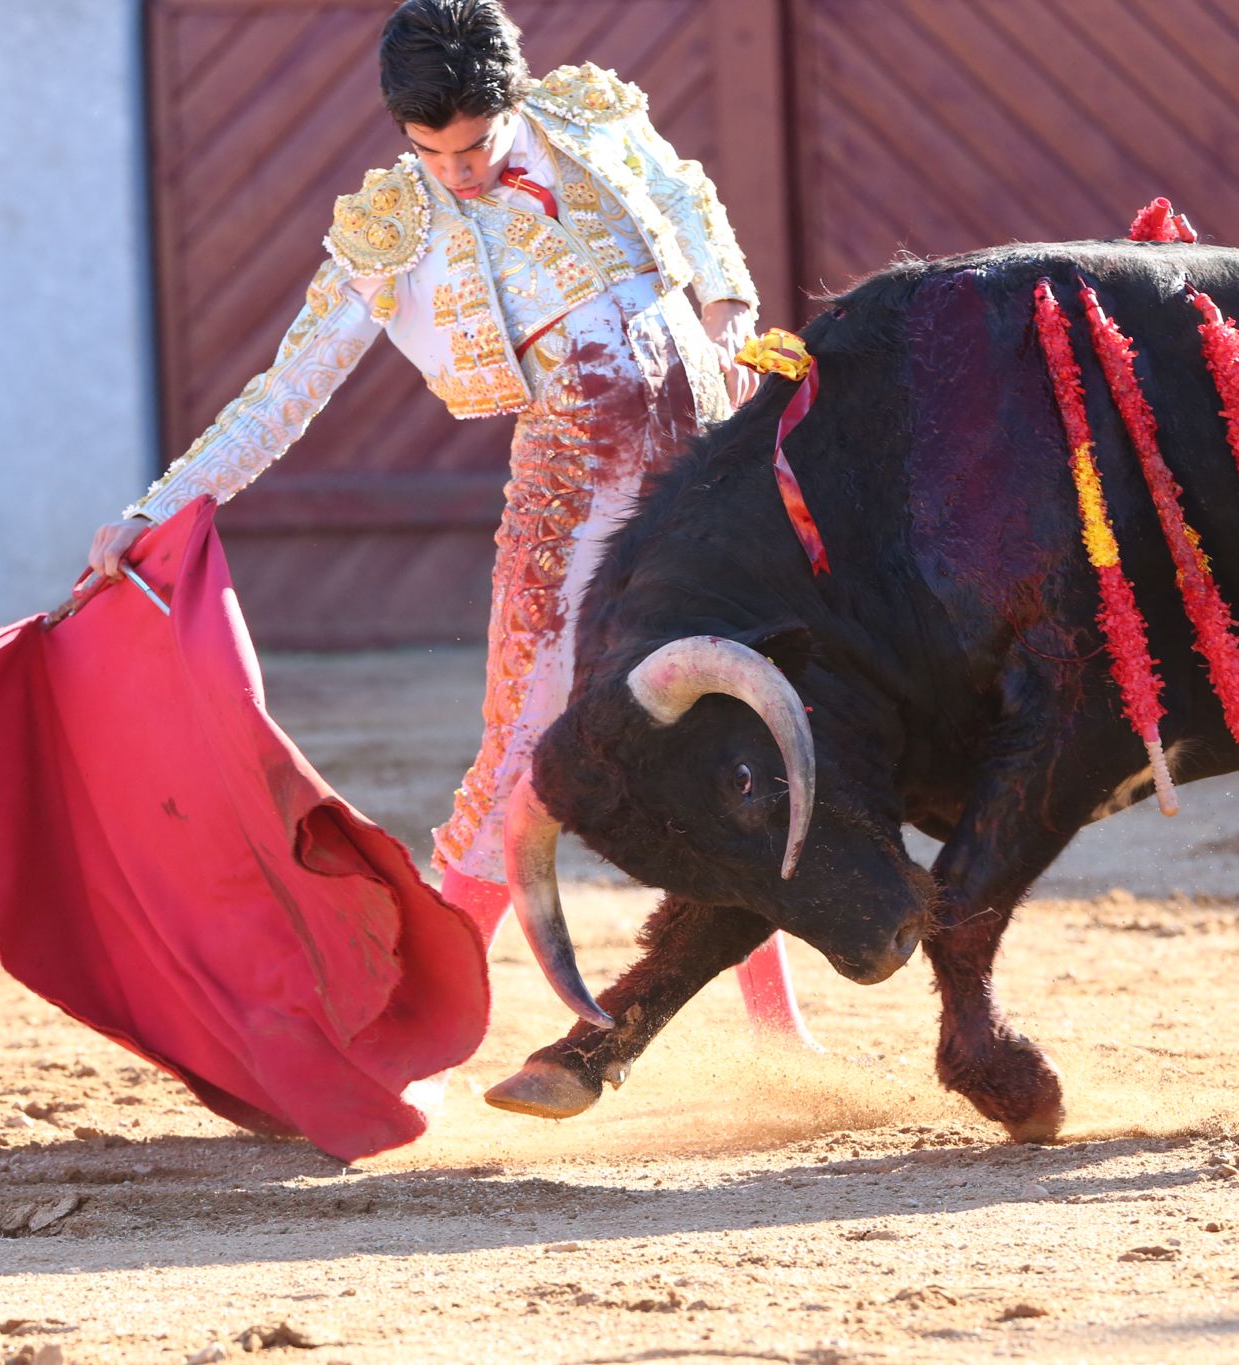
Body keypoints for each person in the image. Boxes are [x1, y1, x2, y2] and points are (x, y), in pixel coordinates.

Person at [86, 0, 812, 1043]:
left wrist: (728, 308)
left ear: (514, 102)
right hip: (574, 504)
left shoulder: (593, 119)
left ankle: (776, 1036)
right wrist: (157, 506)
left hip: (700, 483)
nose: (457, 172)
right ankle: (416, 1024)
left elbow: (686, 197)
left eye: (474, 146)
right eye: (430, 151)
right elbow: (286, 391)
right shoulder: (396, 228)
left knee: (733, 729)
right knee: (520, 754)